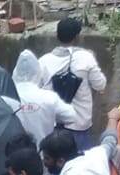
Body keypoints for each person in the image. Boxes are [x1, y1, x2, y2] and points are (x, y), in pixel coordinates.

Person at [38, 17, 108, 151]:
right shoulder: (86, 57)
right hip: (79, 125)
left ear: (57, 36)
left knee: (56, 167)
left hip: (52, 126)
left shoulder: (43, 61)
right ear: (77, 37)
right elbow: (100, 85)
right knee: (80, 166)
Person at [13, 49, 77, 144]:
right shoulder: (49, 97)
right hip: (43, 153)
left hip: (15, 154)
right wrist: (51, 113)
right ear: (37, 72)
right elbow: (71, 116)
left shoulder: (6, 98)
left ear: (16, 72)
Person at [38, 128, 111, 175]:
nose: (44, 161)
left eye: (47, 158)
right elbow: (110, 141)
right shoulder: (97, 154)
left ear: (60, 161)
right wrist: (113, 119)